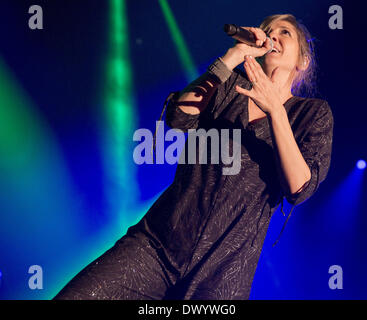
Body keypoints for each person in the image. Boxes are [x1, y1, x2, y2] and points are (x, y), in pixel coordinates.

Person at [53, 14, 333, 300]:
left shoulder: (311, 114)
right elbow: (178, 118)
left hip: (223, 273)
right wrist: (232, 56)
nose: (271, 35)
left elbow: (299, 187)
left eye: (284, 32)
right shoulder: (227, 85)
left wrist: (276, 110)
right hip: (158, 245)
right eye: (266, 30)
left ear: (303, 61)